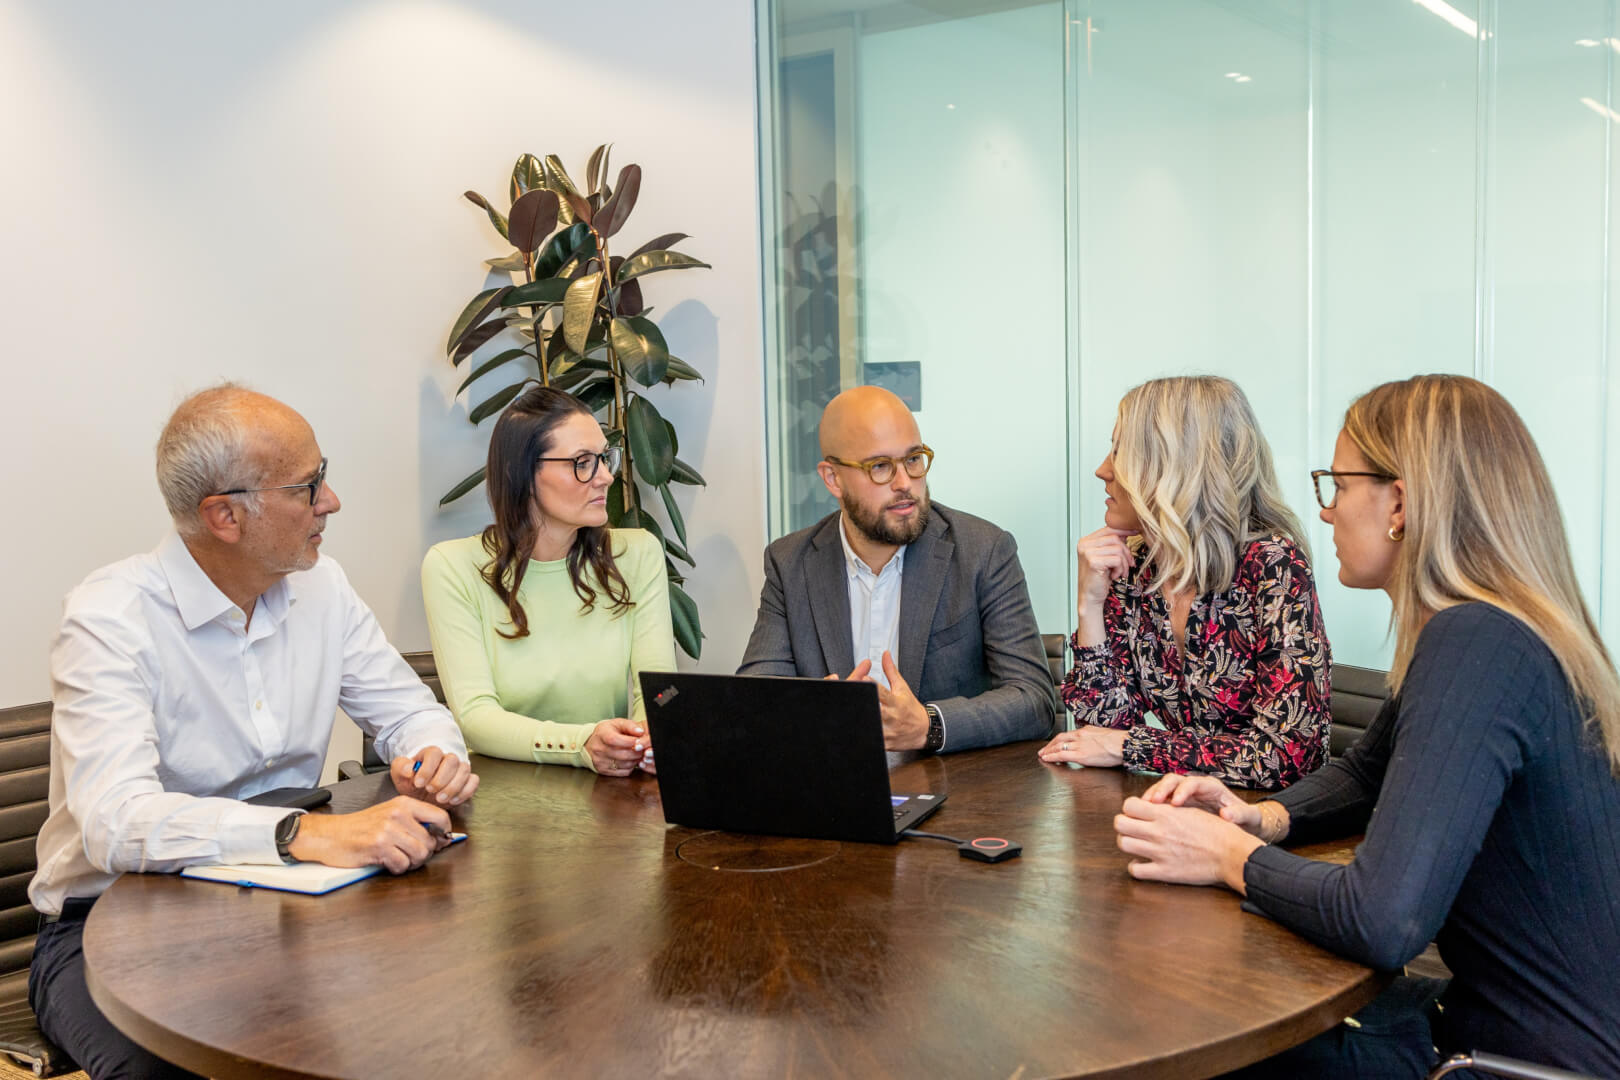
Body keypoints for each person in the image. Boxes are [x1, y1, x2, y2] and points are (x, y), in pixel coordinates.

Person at [1113, 375, 1620, 1078]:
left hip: (1511, 1061)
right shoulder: (1496, 630)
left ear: (1400, 503)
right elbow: (1363, 771)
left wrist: (1225, 857)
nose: (1324, 513)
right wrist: (1256, 818)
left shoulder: (1474, 643)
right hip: (1496, 1021)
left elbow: (1383, 922)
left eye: (1338, 484)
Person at [30, 386, 479, 1080]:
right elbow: (115, 824)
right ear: (225, 516)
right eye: (309, 486)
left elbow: (412, 713)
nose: (331, 502)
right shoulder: (108, 618)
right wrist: (302, 833)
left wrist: (431, 757)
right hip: (105, 929)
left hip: (284, 901)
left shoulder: (322, 589)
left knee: (435, 1020)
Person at [1039, 376, 1330, 791]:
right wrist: (1089, 606)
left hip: (1269, 825)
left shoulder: (1273, 565)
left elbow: (1286, 757)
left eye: (1120, 452)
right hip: (1182, 809)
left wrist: (1131, 747)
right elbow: (1098, 734)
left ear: (1176, 466)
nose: (1102, 469)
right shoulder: (1137, 565)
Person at [738, 385, 1056, 752]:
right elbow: (754, 700)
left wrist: (930, 725)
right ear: (833, 478)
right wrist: (814, 712)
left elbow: (1034, 701)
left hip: (955, 795)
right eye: (880, 467)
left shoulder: (984, 551)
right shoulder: (789, 563)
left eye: (913, 459)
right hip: (836, 789)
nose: (904, 483)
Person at [422, 386, 674, 776]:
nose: (605, 477)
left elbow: (657, 688)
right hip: (503, 795)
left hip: (612, 793)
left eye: (605, 458)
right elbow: (475, 716)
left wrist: (645, 735)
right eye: (582, 462)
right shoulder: (453, 567)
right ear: (521, 472)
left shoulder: (638, 555)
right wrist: (581, 743)